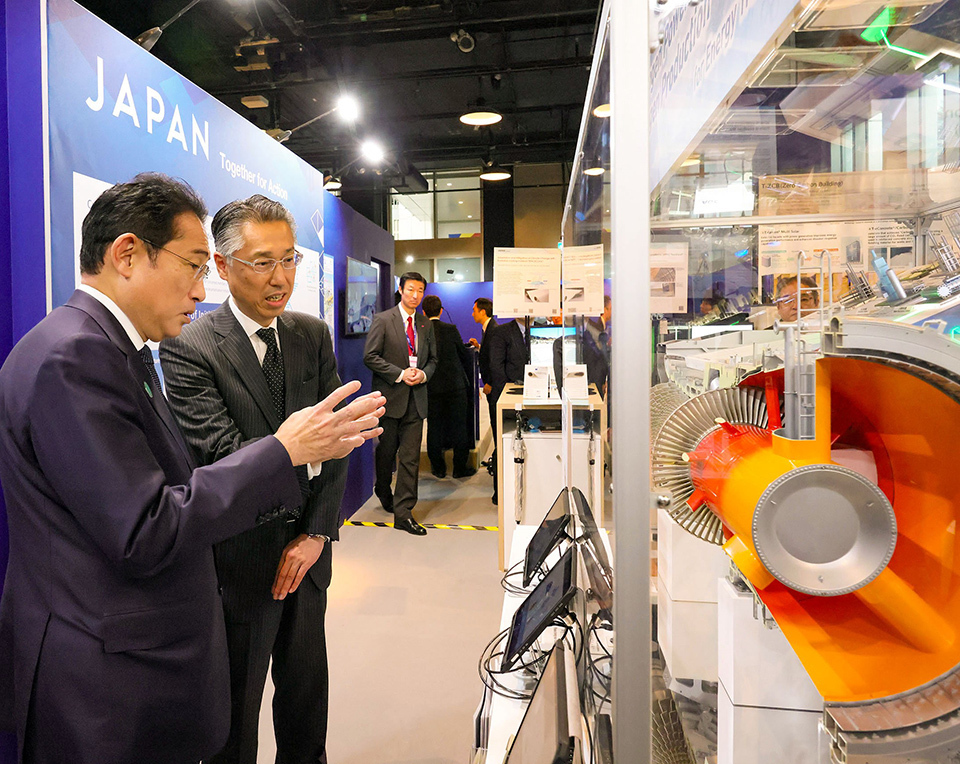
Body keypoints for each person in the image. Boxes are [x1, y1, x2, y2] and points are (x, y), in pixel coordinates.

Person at [0, 174, 385, 763]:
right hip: (102, 675)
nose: (201, 290)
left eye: (288, 260)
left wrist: (312, 517)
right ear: (127, 255)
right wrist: (286, 451)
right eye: (195, 265)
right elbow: (145, 526)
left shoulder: (102, 347)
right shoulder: (76, 357)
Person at [158, 196, 345, 764]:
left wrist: (315, 534)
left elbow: (337, 442)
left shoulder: (311, 334)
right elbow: (220, 455)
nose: (281, 277)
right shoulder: (189, 346)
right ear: (221, 266)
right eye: (263, 262)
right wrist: (299, 453)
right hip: (239, 565)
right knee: (233, 724)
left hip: (308, 563)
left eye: (290, 259)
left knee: (307, 711)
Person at [363, 271, 438, 536]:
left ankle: (404, 512)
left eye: (420, 291)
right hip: (389, 399)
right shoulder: (384, 319)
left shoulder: (426, 324)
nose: (415, 295)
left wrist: (423, 374)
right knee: (386, 453)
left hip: (416, 402)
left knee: (410, 459)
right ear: (400, 289)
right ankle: (383, 489)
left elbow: (433, 361)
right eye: (411, 290)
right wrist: (400, 373)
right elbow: (370, 356)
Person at [422, 295, 475, 479]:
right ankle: (459, 468)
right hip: (455, 386)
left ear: (423, 312)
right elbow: (463, 353)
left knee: (434, 427)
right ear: (441, 311)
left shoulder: (420, 331)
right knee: (459, 426)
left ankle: (438, 468)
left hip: (431, 388)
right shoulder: (451, 329)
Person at [486, 317, 527, 505]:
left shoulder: (541, 329)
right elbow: (496, 367)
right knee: (503, 445)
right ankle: (501, 492)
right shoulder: (501, 332)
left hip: (533, 398)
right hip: (506, 398)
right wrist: (508, 396)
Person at [583, 294, 611, 397]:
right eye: (611, 309)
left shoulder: (602, 327)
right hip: (595, 379)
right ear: (604, 309)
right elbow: (598, 356)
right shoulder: (595, 328)